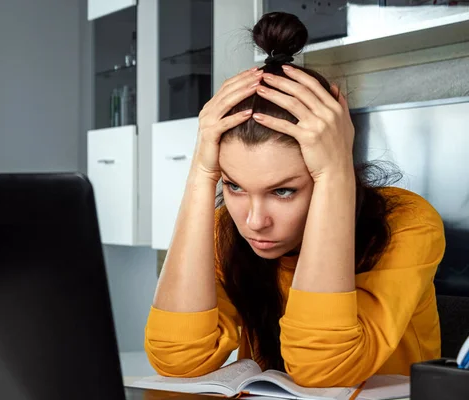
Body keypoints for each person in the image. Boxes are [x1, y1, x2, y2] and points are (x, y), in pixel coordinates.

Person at [143, 12, 446, 388]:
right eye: (235, 186)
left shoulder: (407, 222)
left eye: (283, 191)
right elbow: (178, 359)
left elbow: (324, 371)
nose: (254, 221)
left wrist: (336, 172)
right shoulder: (227, 230)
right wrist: (201, 173)